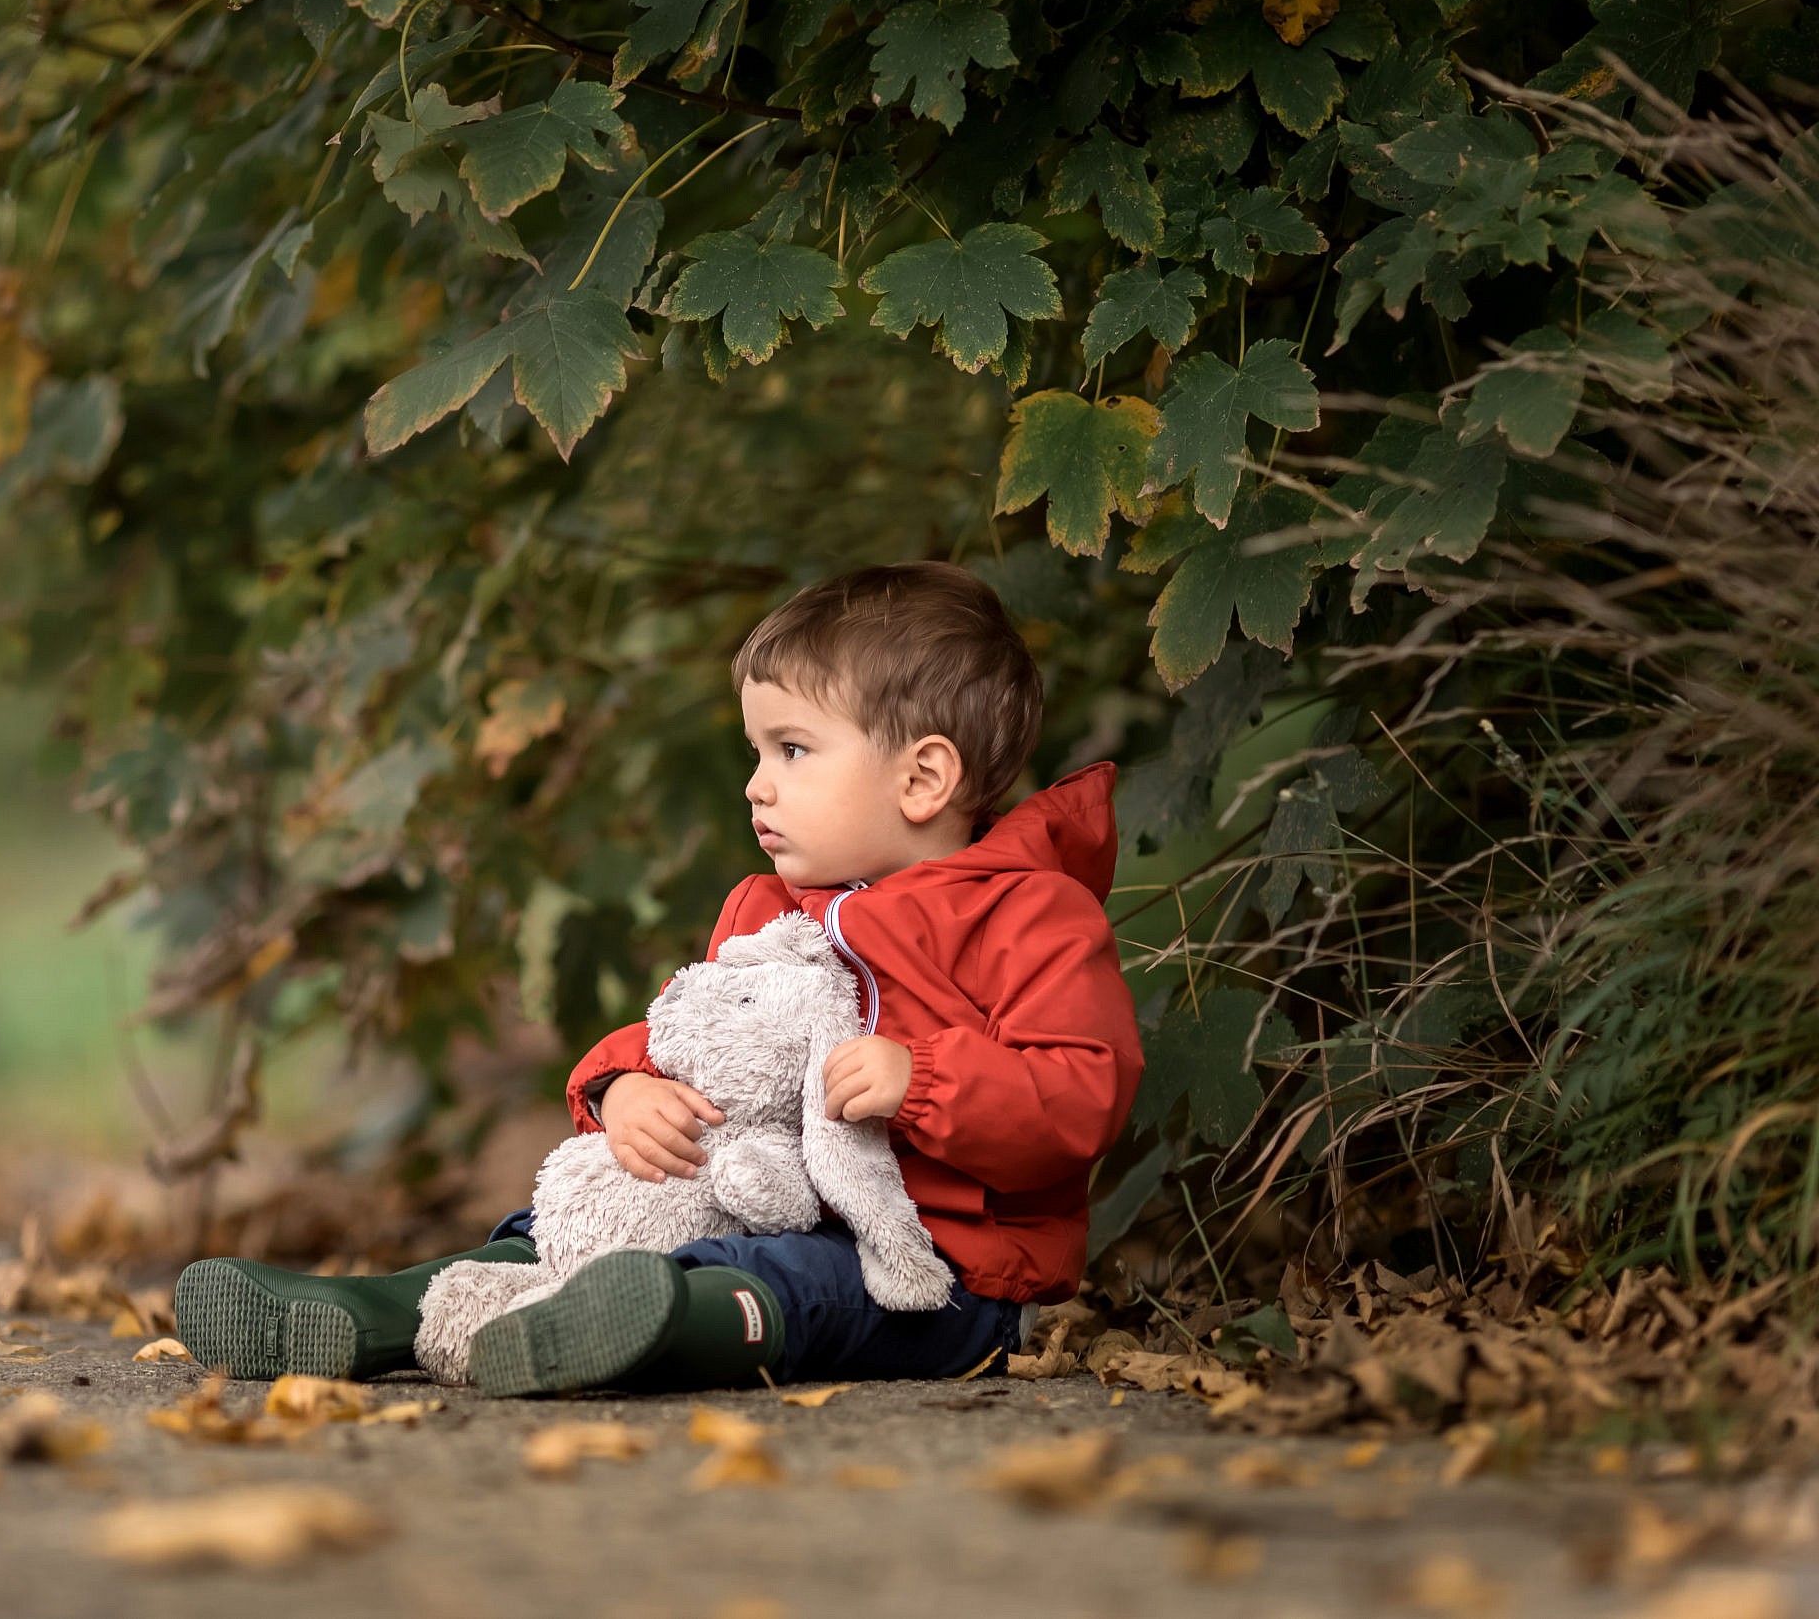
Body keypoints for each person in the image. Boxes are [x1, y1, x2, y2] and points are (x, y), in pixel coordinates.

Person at [173, 562, 1142, 1394]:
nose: (757, 782)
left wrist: (918, 1079)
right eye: (756, 750)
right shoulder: (768, 907)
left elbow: (1080, 1096)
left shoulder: (1029, 915)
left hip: (938, 1274)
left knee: (779, 1276)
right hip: (751, 1193)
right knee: (563, 1220)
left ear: (923, 778)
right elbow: (695, 1032)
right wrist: (622, 1084)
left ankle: (649, 1321)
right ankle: (379, 1311)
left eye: (793, 749)